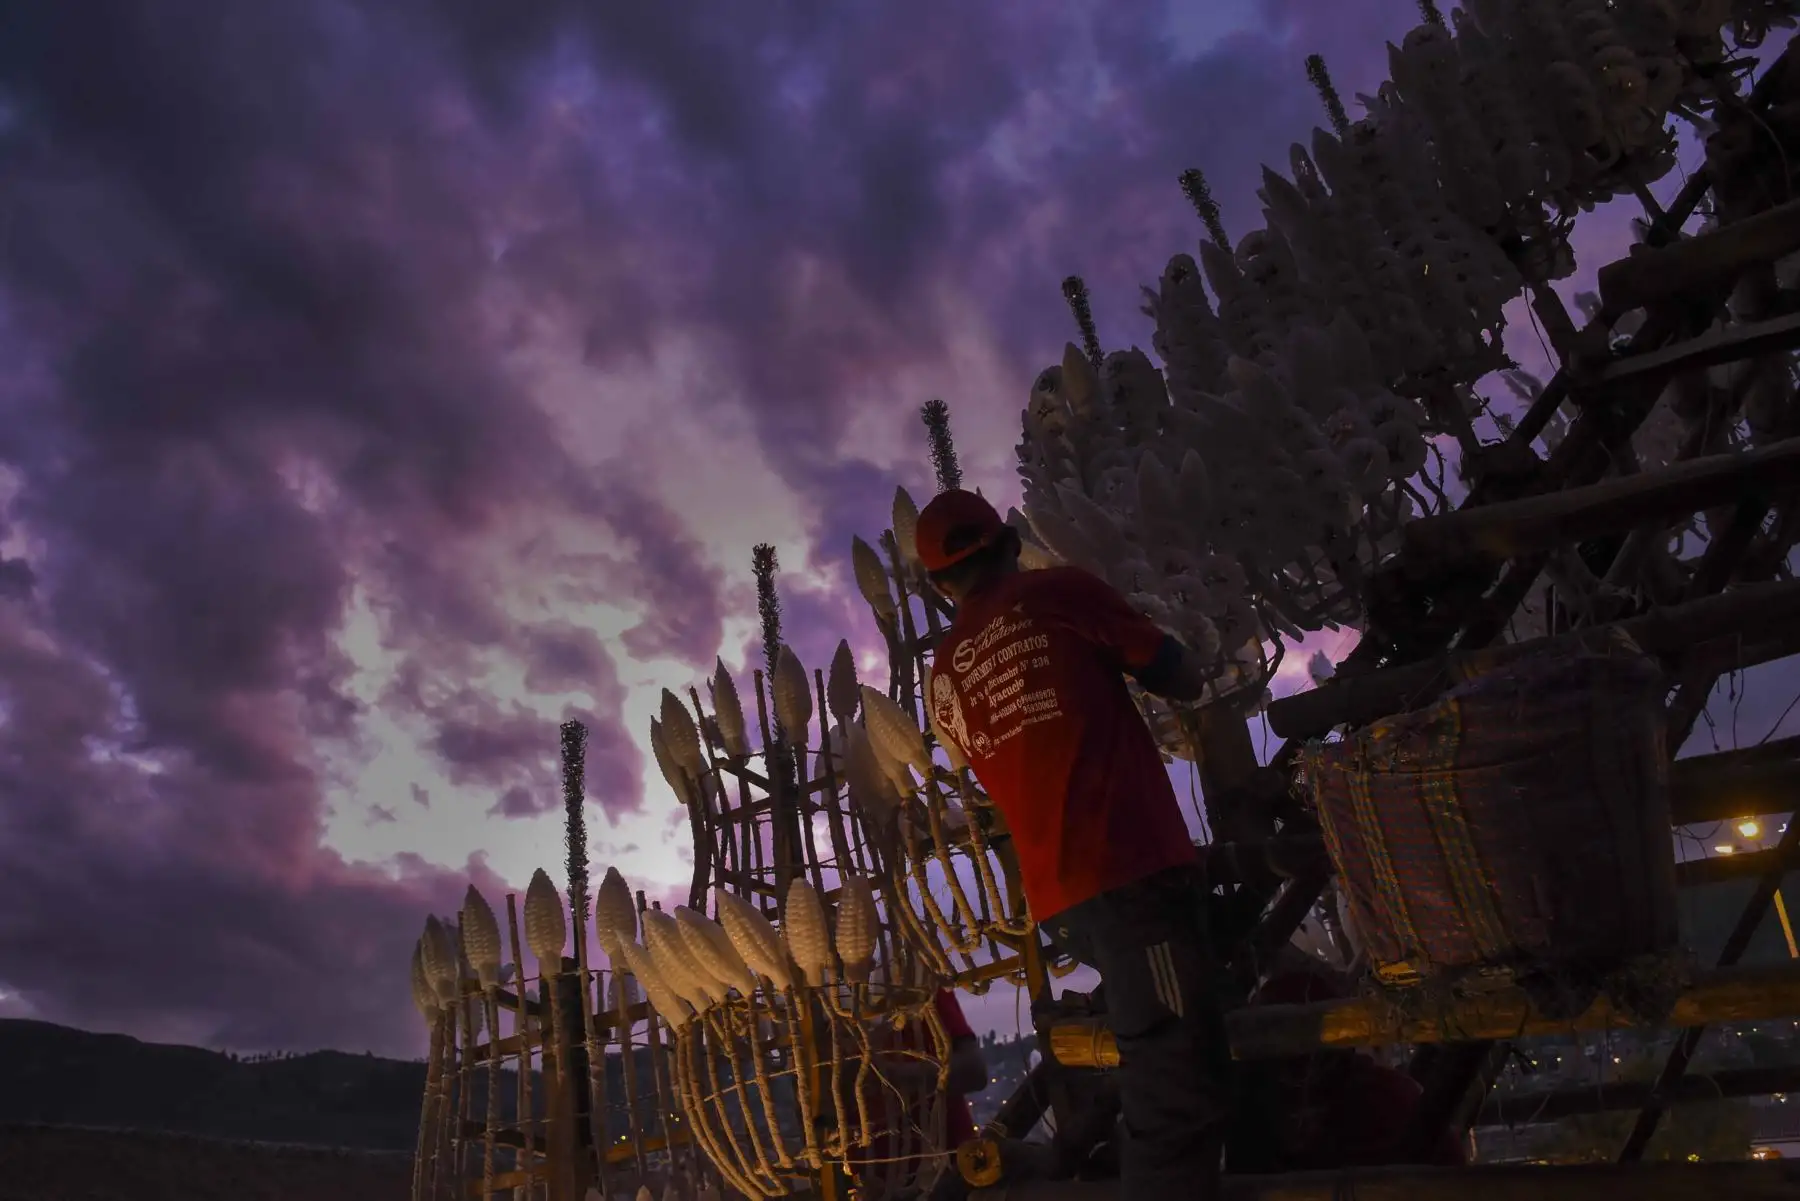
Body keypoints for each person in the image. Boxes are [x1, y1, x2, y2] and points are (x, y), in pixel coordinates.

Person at [913, 488, 1229, 1201]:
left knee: (1172, 1055)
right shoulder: (1058, 592)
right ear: (1009, 543)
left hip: (1064, 897)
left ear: (937, 585)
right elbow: (1178, 672)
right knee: (1174, 1086)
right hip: (1132, 873)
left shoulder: (943, 676)